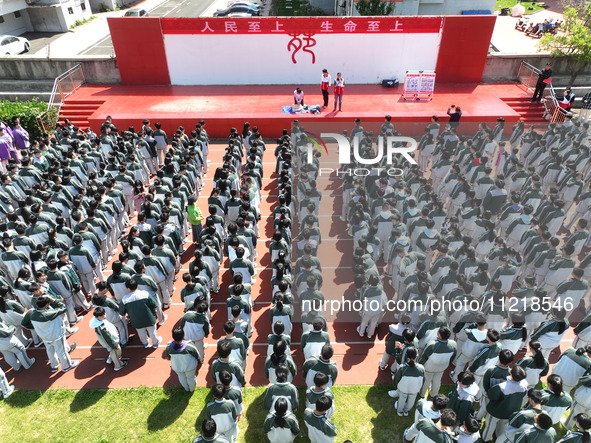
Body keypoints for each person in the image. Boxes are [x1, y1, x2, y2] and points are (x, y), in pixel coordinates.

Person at [21, 295, 78, 373]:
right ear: (47, 304)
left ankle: (54, 366)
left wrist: (35, 327)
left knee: (50, 351)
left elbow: (24, 323)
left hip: (45, 337)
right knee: (62, 352)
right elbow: (63, 307)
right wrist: (52, 299)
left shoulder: (31, 312)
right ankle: (66, 366)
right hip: (56, 336)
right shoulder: (49, 314)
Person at [118, 278, 161, 349]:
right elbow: (154, 304)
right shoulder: (145, 294)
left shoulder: (125, 299)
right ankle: (155, 343)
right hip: (149, 318)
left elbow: (121, 312)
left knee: (141, 333)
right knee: (152, 331)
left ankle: (145, 343)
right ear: (136, 286)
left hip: (136, 321)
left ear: (128, 288)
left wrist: (126, 315)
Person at [89, 306, 126, 372]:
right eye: (102, 315)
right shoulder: (101, 328)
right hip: (111, 343)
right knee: (116, 352)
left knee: (112, 352)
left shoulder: (99, 321)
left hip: (111, 341)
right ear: (97, 317)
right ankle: (118, 365)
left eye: (104, 313)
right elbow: (107, 338)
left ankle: (110, 359)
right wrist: (114, 345)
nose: (105, 315)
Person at [164, 327, 201, 392]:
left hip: (177, 367)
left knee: (181, 377)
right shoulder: (189, 346)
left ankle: (186, 389)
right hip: (190, 367)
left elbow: (168, 355)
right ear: (183, 335)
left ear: (173, 336)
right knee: (191, 378)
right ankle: (192, 390)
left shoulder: (169, 346)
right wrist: (199, 360)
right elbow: (197, 354)